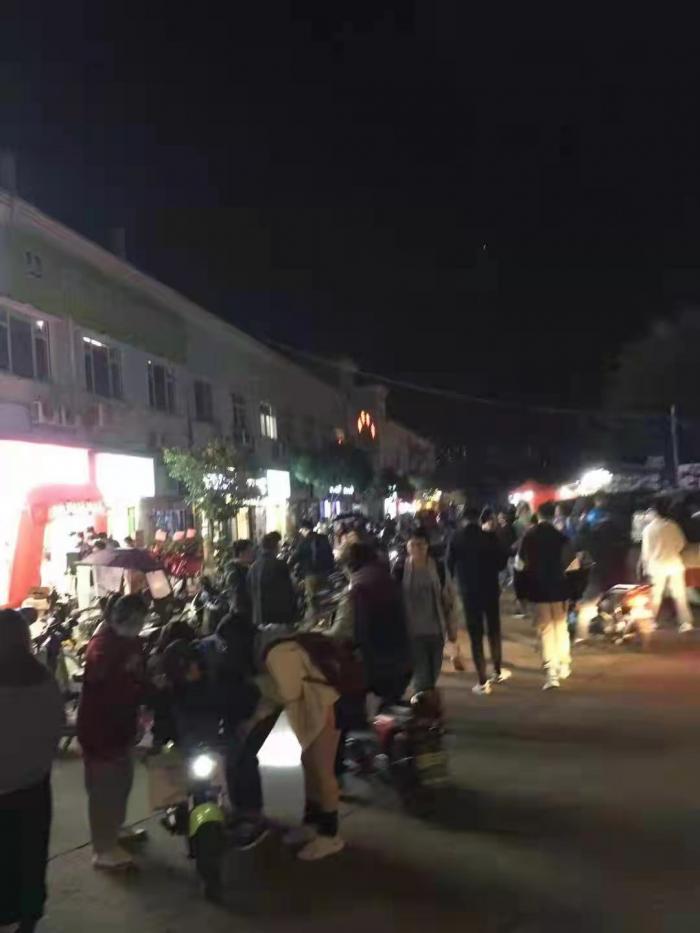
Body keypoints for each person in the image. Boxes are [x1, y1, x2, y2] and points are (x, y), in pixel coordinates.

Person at [0, 610, 64, 933]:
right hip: (35, 786)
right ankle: (28, 918)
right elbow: (56, 728)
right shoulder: (44, 679)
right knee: (31, 855)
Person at [77, 594, 148, 869]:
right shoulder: (101, 647)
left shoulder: (130, 642)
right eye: (135, 620)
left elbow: (136, 678)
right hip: (100, 731)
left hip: (122, 728)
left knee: (122, 783)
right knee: (103, 790)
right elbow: (106, 687)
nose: (139, 625)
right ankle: (102, 849)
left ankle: (116, 829)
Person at [329, 542, 412, 705]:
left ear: (349, 566)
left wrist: (314, 637)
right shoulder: (389, 579)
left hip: (373, 669)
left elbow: (341, 632)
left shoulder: (356, 589)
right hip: (403, 662)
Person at [447, 507, 509, 695]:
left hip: (468, 592)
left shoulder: (456, 538)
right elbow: (501, 564)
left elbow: (449, 565)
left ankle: (482, 681)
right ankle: (497, 671)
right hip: (490, 590)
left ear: (462, 519)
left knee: (476, 635)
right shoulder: (489, 537)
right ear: (478, 519)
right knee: (494, 630)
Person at [518, 501, 575, 690]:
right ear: (553, 515)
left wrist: (521, 592)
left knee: (546, 630)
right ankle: (564, 664)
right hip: (560, 588)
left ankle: (551, 671)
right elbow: (573, 564)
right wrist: (573, 590)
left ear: (538, 514)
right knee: (561, 626)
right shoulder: (562, 537)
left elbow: (520, 565)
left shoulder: (529, 536)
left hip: (539, 589)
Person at [393, 528, 457, 692]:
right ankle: (422, 700)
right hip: (412, 630)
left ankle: (426, 698)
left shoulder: (438, 568)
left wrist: (452, 629)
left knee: (434, 670)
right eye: (412, 544)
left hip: (436, 629)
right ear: (407, 547)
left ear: (427, 546)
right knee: (421, 673)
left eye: (420, 545)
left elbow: (449, 599)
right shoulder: (400, 568)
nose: (416, 548)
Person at [641, 497, 693, 633]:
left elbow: (646, 552)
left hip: (656, 566)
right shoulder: (672, 525)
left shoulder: (648, 530)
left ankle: (651, 621)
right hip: (674, 564)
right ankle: (686, 622)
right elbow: (681, 544)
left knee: (655, 595)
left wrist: (645, 567)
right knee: (680, 595)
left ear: (653, 513)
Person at [248, 532, 298, 628]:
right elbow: (290, 588)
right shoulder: (280, 565)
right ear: (275, 546)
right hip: (279, 615)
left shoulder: (253, 567)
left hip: (259, 617)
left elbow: (249, 590)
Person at [292, 519, 335, 621]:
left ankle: (314, 623)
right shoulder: (323, 538)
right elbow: (330, 555)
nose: (300, 532)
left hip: (310, 576)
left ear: (305, 529)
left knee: (312, 602)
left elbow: (295, 557)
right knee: (326, 600)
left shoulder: (303, 542)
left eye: (301, 529)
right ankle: (326, 620)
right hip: (325, 574)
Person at [223, 538, 255, 619]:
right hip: (240, 611)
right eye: (249, 551)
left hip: (250, 609)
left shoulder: (248, 567)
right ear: (241, 553)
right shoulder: (232, 568)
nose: (252, 553)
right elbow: (236, 588)